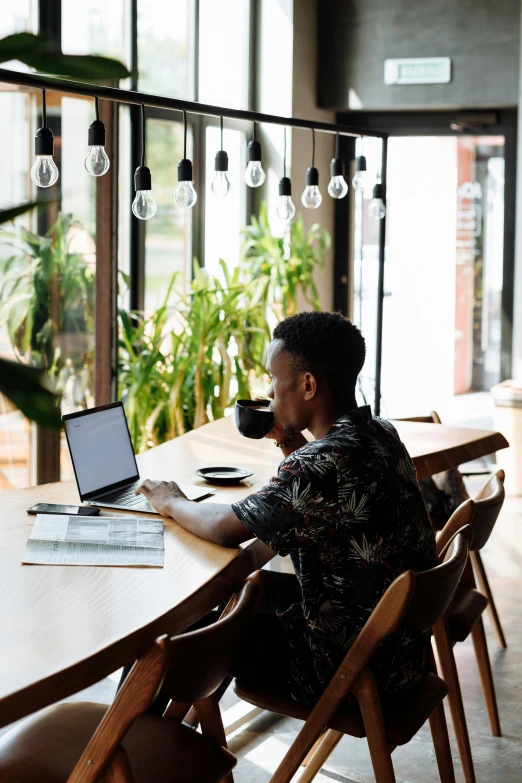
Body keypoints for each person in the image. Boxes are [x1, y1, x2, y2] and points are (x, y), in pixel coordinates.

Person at [136, 311, 437, 705]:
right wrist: (287, 442)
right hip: (400, 656)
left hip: (342, 670)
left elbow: (226, 528)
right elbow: (314, 508)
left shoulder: (320, 464)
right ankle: (152, 742)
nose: (270, 393)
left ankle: (119, 751)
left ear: (308, 385)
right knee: (231, 600)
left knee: (172, 631)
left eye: (274, 380)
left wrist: (170, 501)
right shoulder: (379, 432)